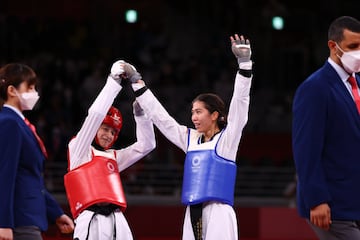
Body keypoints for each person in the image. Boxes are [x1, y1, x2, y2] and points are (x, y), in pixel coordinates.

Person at [121, 33, 253, 240]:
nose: (194, 117)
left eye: (199, 112)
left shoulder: (228, 140)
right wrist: (137, 83)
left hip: (219, 213)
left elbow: (240, 103)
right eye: (192, 112)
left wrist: (244, 65)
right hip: (192, 212)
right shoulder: (190, 139)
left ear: (215, 115)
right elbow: (163, 120)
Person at [64, 60, 156, 240]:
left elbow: (147, 145)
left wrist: (141, 116)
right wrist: (113, 82)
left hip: (117, 220)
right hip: (90, 219)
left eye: (113, 132)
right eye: (105, 129)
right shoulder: (79, 149)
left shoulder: (113, 157)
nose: (108, 135)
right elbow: (95, 115)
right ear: (96, 127)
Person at [292, 16, 360, 239]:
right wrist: (317, 199)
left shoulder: (357, 83)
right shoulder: (315, 88)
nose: (359, 52)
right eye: (353, 47)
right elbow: (306, 150)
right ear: (333, 46)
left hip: (354, 201)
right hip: (332, 205)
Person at [0, 63, 74, 240]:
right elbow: (4, 174)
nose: (34, 93)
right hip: (18, 221)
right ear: (12, 90)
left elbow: (31, 178)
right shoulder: (9, 122)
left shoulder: (19, 123)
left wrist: (56, 212)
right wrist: (3, 223)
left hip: (27, 218)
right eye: (30, 87)